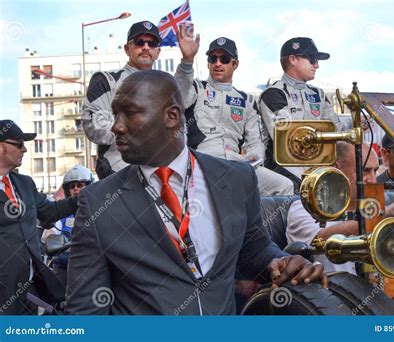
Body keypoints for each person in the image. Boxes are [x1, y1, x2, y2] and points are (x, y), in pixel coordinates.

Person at [65, 70, 326, 315]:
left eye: (130, 113)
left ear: (172, 116)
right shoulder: (98, 202)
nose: (116, 127)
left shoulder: (237, 178)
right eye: (115, 114)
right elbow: (85, 313)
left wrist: (280, 262)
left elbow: (253, 249)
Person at [174, 25, 294, 195]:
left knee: (284, 186)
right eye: (213, 58)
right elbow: (178, 96)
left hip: (236, 164)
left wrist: (253, 159)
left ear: (235, 64)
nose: (217, 63)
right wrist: (187, 61)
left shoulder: (246, 100)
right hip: (201, 162)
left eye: (224, 59)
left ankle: (256, 222)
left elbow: (255, 141)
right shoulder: (196, 87)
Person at [287, 142, 394, 274]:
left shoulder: (374, 208)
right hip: (336, 294)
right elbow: (320, 240)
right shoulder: (306, 207)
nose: (373, 180)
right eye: (365, 171)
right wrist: (383, 217)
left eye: (375, 171)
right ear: (337, 170)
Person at [0, 120, 78, 315]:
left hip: (31, 289)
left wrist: (86, 196)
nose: (24, 150)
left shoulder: (24, 183)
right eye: (18, 144)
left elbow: (50, 212)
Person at [259, 37, 349, 186]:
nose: (317, 65)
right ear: (293, 59)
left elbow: (337, 130)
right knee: (304, 187)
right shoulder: (274, 93)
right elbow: (288, 138)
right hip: (283, 164)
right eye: (312, 59)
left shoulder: (318, 94)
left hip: (315, 163)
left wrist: (357, 122)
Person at [81, 20, 161, 179]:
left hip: (160, 175)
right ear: (127, 49)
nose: (146, 47)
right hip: (120, 174)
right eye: (139, 42)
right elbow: (92, 125)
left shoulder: (166, 86)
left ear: (158, 51)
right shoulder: (106, 80)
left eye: (151, 43)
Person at [42, 165, 94, 286]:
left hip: (92, 262)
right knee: (58, 292)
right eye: (72, 186)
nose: (76, 189)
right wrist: (54, 240)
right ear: (67, 190)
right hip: (66, 263)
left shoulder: (100, 210)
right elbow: (49, 234)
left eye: (80, 185)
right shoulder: (63, 213)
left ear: (89, 187)